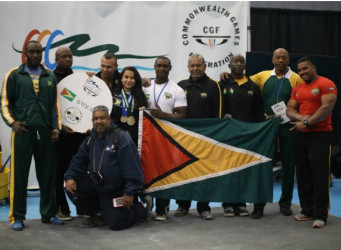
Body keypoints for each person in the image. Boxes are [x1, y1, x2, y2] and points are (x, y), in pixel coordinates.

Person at [221, 48, 302, 219]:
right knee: (262, 166)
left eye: (284, 58)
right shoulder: (261, 76)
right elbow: (241, 79)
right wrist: (225, 75)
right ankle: (259, 206)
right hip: (265, 129)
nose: (280, 60)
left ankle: (285, 203)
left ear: (289, 60)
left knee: (289, 167)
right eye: (277, 57)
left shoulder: (297, 79)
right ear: (272, 59)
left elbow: (301, 101)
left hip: (288, 129)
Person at [0, 40, 64, 231]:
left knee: (48, 176)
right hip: (23, 132)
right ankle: (17, 216)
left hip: (45, 132)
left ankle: (49, 213)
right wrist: (12, 123)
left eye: (39, 52)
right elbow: (4, 103)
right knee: (19, 176)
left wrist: (56, 128)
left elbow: (55, 107)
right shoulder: (14, 75)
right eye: (32, 52)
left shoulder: (49, 76)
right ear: (25, 55)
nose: (36, 55)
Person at [64, 105, 152, 230]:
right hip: (96, 186)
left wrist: (130, 191)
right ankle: (97, 213)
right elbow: (78, 161)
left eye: (102, 118)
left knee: (116, 223)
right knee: (72, 186)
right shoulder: (89, 140)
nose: (99, 121)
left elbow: (132, 167)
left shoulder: (121, 138)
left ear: (109, 119)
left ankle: (143, 206)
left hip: (116, 190)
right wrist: (70, 177)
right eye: (95, 119)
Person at [286, 57, 337, 228]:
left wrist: (307, 122)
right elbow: (289, 109)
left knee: (320, 175)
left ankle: (320, 215)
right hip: (301, 134)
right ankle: (307, 210)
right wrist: (301, 118)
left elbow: (326, 108)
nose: (302, 72)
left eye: (305, 68)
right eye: (299, 70)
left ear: (313, 68)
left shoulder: (326, 83)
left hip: (321, 135)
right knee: (303, 174)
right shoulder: (298, 88)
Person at [176, 54, 222, 220]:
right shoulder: (180, 86)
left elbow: (218, 115)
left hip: (205, 139)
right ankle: (183, 205)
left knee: (204, 173)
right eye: (192, 65)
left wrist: (213, 138)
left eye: (198, 65)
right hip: (184, 139)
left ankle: (203, 207)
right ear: (188, 67)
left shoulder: (213, 86)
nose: (195, 68)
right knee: (184, 172)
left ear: (205, 66)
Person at [143, 56, 187, 221]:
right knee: (146, 172)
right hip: (147, 138)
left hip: (167, 138)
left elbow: (183, 116)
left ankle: (162, 209)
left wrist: (163, 115)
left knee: (164, 173)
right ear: (154, 67)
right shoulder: (145, 87)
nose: (161, 69)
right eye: (158, 66)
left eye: (164, 66)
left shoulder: (177, 90)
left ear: (170, 68)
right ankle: (146, 207)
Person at [219, 54, 264, 217]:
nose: (238, 64)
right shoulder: (222, 83)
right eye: (235, 61)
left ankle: (241, 203)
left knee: (243, 169)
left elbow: (258, 111)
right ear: (229, 65)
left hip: (247, 136)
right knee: (228, 169)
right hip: (227, 135)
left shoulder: (253, 86)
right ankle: (228, 203)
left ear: (245, 65)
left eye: (241, 61)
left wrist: (264, 125)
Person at [53, 46, 88, 221]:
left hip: (79, 137)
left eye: (70, 56)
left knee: (80, 173)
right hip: (60, 137)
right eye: (64, 56)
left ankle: (82, 207)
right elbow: (49, 108)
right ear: (56, 59)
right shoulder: (51, 78)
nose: (68, 59)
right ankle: (62, 209)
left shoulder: (78, 78)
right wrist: (59, 127)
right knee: (59, 174)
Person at [111, 67, 147, 145]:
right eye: (126, 77)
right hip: (116, 135)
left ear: (136, 80)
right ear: (121, 78)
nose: (129, 80)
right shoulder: (113, 94)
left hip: (134, 137)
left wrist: (143, 112)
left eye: (132, 78)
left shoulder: (140, 96)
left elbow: (144, 120)